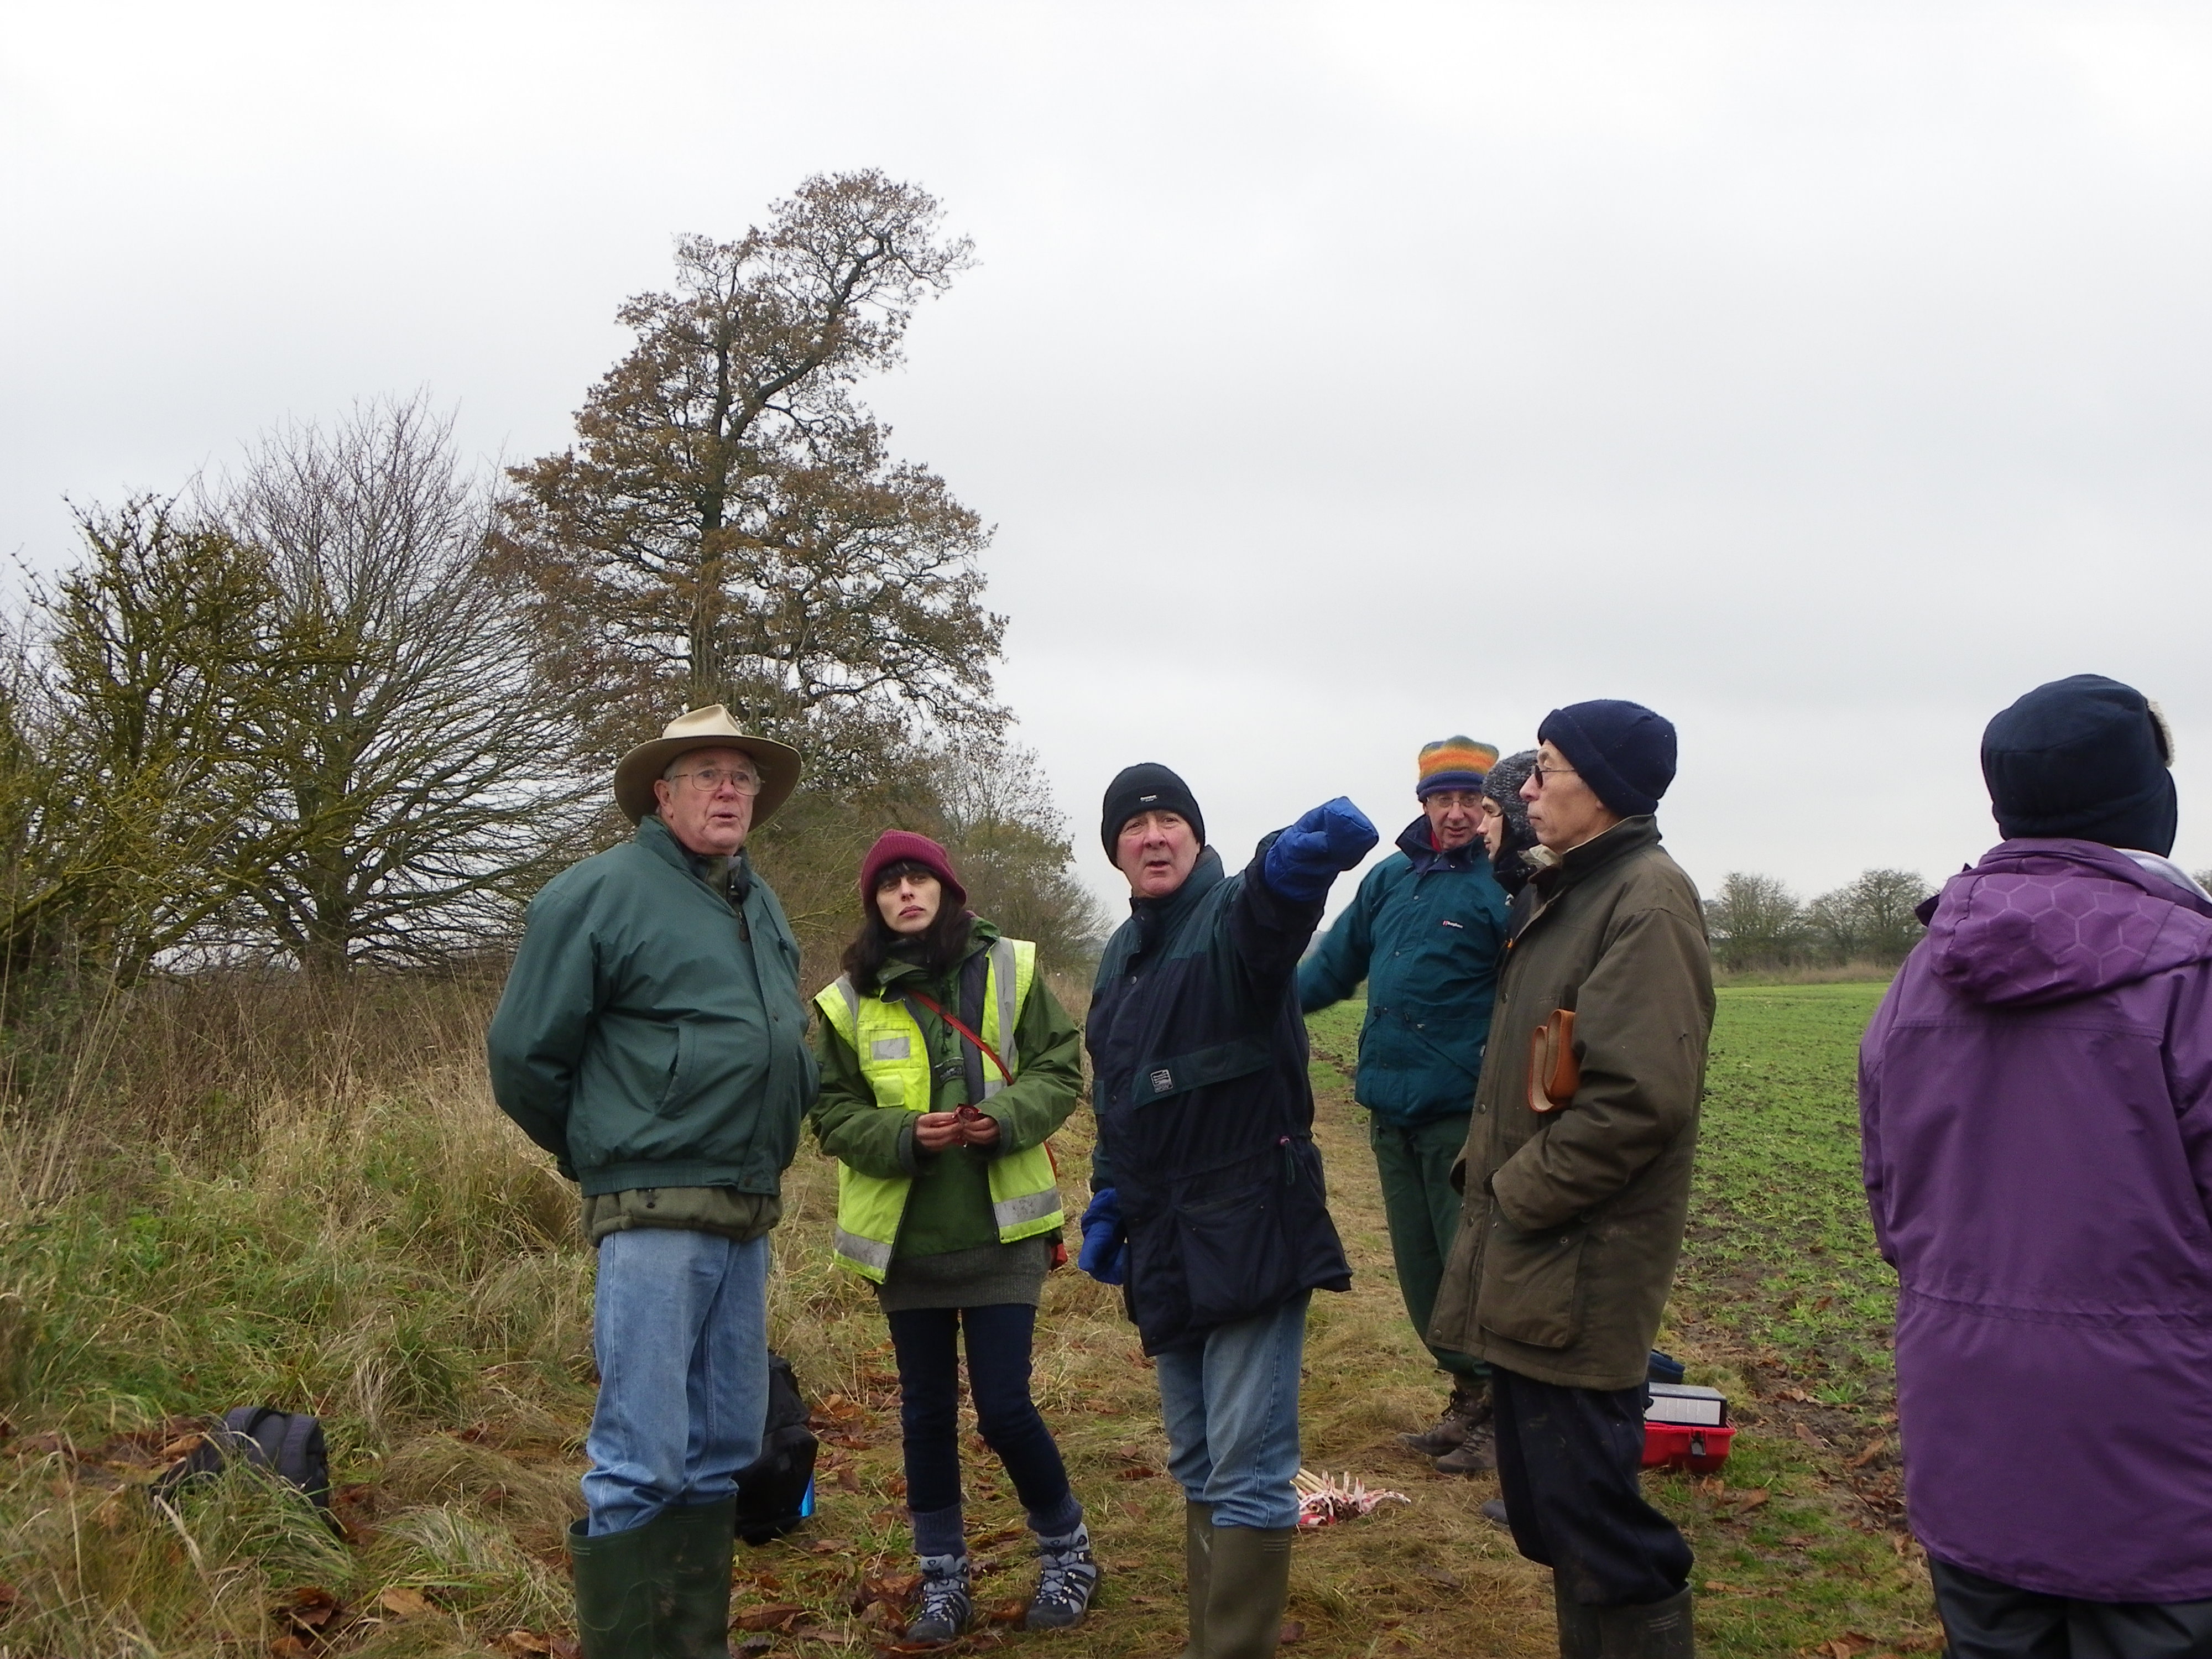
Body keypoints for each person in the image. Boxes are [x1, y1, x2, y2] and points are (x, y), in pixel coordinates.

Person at [1859, 674, 2212, 1658]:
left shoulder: (1918, 974)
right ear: (2150, 799)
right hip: (2165, 1465)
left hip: (1969, 1435)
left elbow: (1896, 1210)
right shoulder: (2192, 974)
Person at [486, 705, 817, 1659]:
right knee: (640, 1457)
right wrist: (605, 1153)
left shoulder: (758, 901)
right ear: (661, 794)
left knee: (721, 1451)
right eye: (706, 773)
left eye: (742, 777)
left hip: (745, 1208)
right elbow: (522, 1057)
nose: (728, 790)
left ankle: (691, 1644)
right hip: (652, 1215)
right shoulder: (595, 894)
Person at [1428, 700, 1712, 1659]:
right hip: (1538, 1259)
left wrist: (1514, 1195)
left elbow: (1638, 1100)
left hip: (1580, 1266)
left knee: (1599, 1529)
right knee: (1557, 1522)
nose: (1529, 786)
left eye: (1549, 768)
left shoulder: (1647, 899)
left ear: (1609, 790)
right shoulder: (1567, 891)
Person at [1079, 763, 1375, 1659]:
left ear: (1198, 839)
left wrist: (1295, 860)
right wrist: (1106, 1198)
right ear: (1116, 853)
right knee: (1200, 1462)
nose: (1154, 836)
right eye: (1134, 827)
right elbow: (1121, 1096)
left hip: (1249, 1223)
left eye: (1171, 820)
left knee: (1248, 1471)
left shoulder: (1233, 918)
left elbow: (1273, 909)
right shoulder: (1123, 951)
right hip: (1164, 1235)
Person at [807, 830, 1095, 1644]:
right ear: (873, 902)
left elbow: (1058, 1068)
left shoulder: (1011, 968)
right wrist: (904, 1137)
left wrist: (1001, 1120)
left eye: (918, 879)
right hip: (907, 1247)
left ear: (945, 889)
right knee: (927, 1415)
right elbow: (830, 1111)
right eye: (889, 884)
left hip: (1003, 1233)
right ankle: (943, 1580)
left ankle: (1068, 1552)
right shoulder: (845, 999)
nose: (905, 893)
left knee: (1004, 1409)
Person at [1298, 738, 1511, 1475]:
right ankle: (1463, 1397)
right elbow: (1333, 966)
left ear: (1491, 806)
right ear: (1422, 803)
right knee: (1421, 1274)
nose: (1456, 813)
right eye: (1442, 798)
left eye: (1471, 800)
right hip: (1391, 1108)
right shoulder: (1389, 880)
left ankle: (1499, 1415)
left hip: (1464, 1116)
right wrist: (1262, 1009)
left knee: (1470, 1271)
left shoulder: (1503, 885)